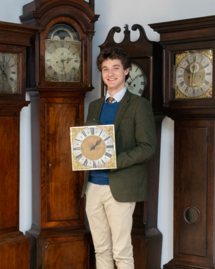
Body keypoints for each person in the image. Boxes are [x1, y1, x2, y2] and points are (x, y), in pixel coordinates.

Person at [82, 46, 156, 269]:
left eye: (115, 68)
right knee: (100, 249)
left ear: (126, 71)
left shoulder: (139, 105)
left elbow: (148, 147)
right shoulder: (95, 106)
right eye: (105, 69)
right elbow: (89, 144)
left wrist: (114, 161)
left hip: (121, 188)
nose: (110, 74)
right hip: (93, 186)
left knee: (121, 252)